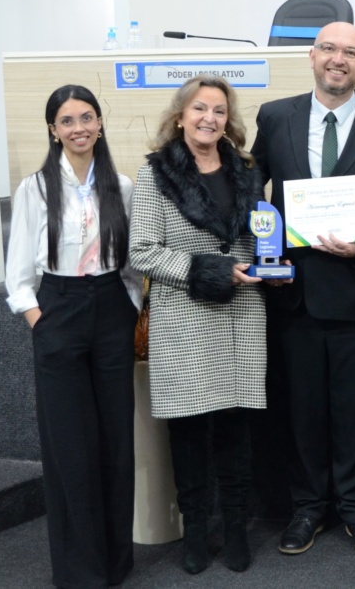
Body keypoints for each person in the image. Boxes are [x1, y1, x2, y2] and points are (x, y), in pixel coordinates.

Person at [251, 21, 355, 558]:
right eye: (328, 49)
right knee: (301, 410)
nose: (337, 59)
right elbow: (256, 193)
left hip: (354, 295)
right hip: (291, 294)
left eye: (350, 52)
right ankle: (306, 509)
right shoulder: (276, 117)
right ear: (312, 57)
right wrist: (263, 243)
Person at [129, 74, 268, 575]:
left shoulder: (248, 171)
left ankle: (233, 529)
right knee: (188, 436)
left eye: (219, 110)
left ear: (228, 120)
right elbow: (142, 251)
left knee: (235, 431)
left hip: (242, 316)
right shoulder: (156, 174)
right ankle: (194, 531)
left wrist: (264, 267)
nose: (210, 118)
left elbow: (256, 239)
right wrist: (207, 269)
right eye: (200, 109)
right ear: (180, 115)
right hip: (186, 317)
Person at [5, 84, 142, 588]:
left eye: (87, 117)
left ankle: (115, 563)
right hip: (58, 309)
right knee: (69, 446)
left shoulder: (122, 186)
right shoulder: (35, 188)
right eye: (67, 120)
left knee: (114, 442)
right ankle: (80, 572)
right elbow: (18, 274)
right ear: (53, 130)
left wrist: (128, 309)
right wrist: (41, 321)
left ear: (101, 123)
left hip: (111, 309)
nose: (79, 127)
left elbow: (130, 264)